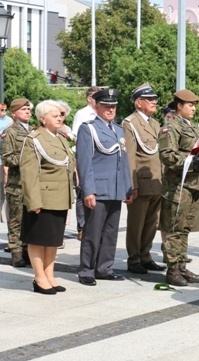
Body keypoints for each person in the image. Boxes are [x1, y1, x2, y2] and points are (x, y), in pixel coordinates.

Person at [76, 88, 135, 286]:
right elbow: (84, 163)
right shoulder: (88, 128)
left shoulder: (118, 130)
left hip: (116, 188)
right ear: (97, 106)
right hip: (98, 189)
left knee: (110, 231)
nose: (111, 110)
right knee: (92, 232)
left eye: (113, 106)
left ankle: (104, 268)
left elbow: (124, 161)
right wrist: (88, 190)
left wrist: (128, 187)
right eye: (106, 106)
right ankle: (86, 270)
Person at [20, 100, 76, 294]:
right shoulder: (34, 139)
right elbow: (29, 173)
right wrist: (33, 200)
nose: (60, 117)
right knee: (37, 239)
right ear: (43, 119)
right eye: (55, 115)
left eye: (61, 115)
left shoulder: (60, 138)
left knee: (53, 240)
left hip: (59, 197)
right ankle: (39, 277)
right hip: (43, 198)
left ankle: (49, 274)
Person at [158, 89, 199, 286]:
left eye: (195, 105)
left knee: (185, 228)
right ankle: (172, 270)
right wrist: (192, 161)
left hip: (194, 184)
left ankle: (181, 265)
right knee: (174, 228)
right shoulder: (171, 127)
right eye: (190, 105)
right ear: (179, 106)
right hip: (178, 185)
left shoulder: (193, 127)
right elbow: (167, 155)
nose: (194, 108)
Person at [122, 83, 166, 275]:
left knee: (151, 223)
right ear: (138, 103)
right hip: (141, 180)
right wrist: (132, 185)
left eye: (154, 99)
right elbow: (130, 156)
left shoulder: (155, 123)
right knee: (136, 223)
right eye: (149, 99)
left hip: (157, 181)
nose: (154, 102)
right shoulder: (130, 123)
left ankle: (146, 255)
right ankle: (134, 258)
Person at [0, 98, 32, 267]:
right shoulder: (10, 132)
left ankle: (28, 251)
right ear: (14, 113)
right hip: (16, 184)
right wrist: (27, 160)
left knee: (30, 219)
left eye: (28, 109)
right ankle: (16, 252)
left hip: (31, 184)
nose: (27, 111)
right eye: (23, 109)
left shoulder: (34, 131)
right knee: (16, 220)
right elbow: (6, 158)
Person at [71, 85, 99, 240]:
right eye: (97, 96)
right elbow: (75, 137)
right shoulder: (82, 114)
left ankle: (94, 224)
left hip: (99, 159)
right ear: (89, 99)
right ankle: (82, 227)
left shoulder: (102, 113)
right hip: (85, 157)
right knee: (83, 191)